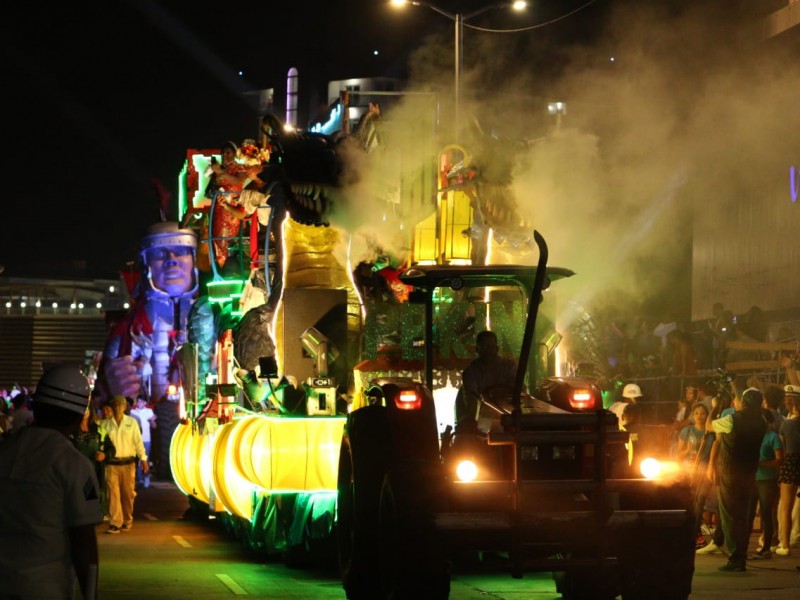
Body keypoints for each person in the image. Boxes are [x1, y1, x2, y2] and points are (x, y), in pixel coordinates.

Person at [0, 365, 102, 598]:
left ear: (36, 406)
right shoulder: (74, 465)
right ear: (79, 416)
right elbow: (84, 542)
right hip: (45, 589)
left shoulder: (5, 451)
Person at [706, 387, 767, 571]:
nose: (736, 402)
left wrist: (715, 408)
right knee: (743, 516)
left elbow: (709, 426)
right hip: (749, 473)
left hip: (729, 472)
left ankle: (735, 557)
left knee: (729, 516)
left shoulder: (732, 419)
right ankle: (741, 553)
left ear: (745, 402)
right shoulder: (761, 422)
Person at [100, 395, 149, 534]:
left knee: (127, 494)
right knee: (113, 494)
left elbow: (138, 442)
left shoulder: (132, 423)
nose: (117, 407)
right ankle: (115, 523)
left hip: (128, 464)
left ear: (125, 407)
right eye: (114, 405)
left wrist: (143, 459)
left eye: (119, 405)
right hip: (111, 465)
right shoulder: (105, 424)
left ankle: (127, 520)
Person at [457, 330, 518, 427]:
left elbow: (519, 390)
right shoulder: (471, 372)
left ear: (497, 348)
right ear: (477, 349)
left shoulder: (509, 367)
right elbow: (472, 399)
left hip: (510, 415)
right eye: (484, 347)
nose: (488, 350)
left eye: (491, 347)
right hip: (482, 418)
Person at [748, 409, 784, 560]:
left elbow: (780, 460)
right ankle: (742, 547)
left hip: (767, 480)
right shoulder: (752, 436)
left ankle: (766, 548)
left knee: (766, 513)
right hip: (751, 478)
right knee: (748, 513)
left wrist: (763, 463)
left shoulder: (773, 437)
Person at [70, 406, 115, 520]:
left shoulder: (99, 430)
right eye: (82, 409)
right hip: (76, 472)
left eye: (87, 410)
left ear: (90, 412)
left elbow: (111, 449)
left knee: (91, 500)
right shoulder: (71, 432)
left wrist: (104, 455)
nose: (85, 412)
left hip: (94, 471)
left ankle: (92, 518)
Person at [776, 385, 800, 556]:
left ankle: (784, 544)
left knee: (786, 506)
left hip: (791, 461)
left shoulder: (787, 424)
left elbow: (782, 446)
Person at [130, 396, 156, 488]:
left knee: (145, 459)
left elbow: (154, 426)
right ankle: (139, 478)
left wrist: (152, 420)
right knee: (136, 459)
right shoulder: (132, 412)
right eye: (138, 401)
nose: (140, 403)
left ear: (145, 403)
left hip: (146, 439)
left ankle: (146, 477)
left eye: (142, 401)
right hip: (135, 439)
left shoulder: (149, 412)